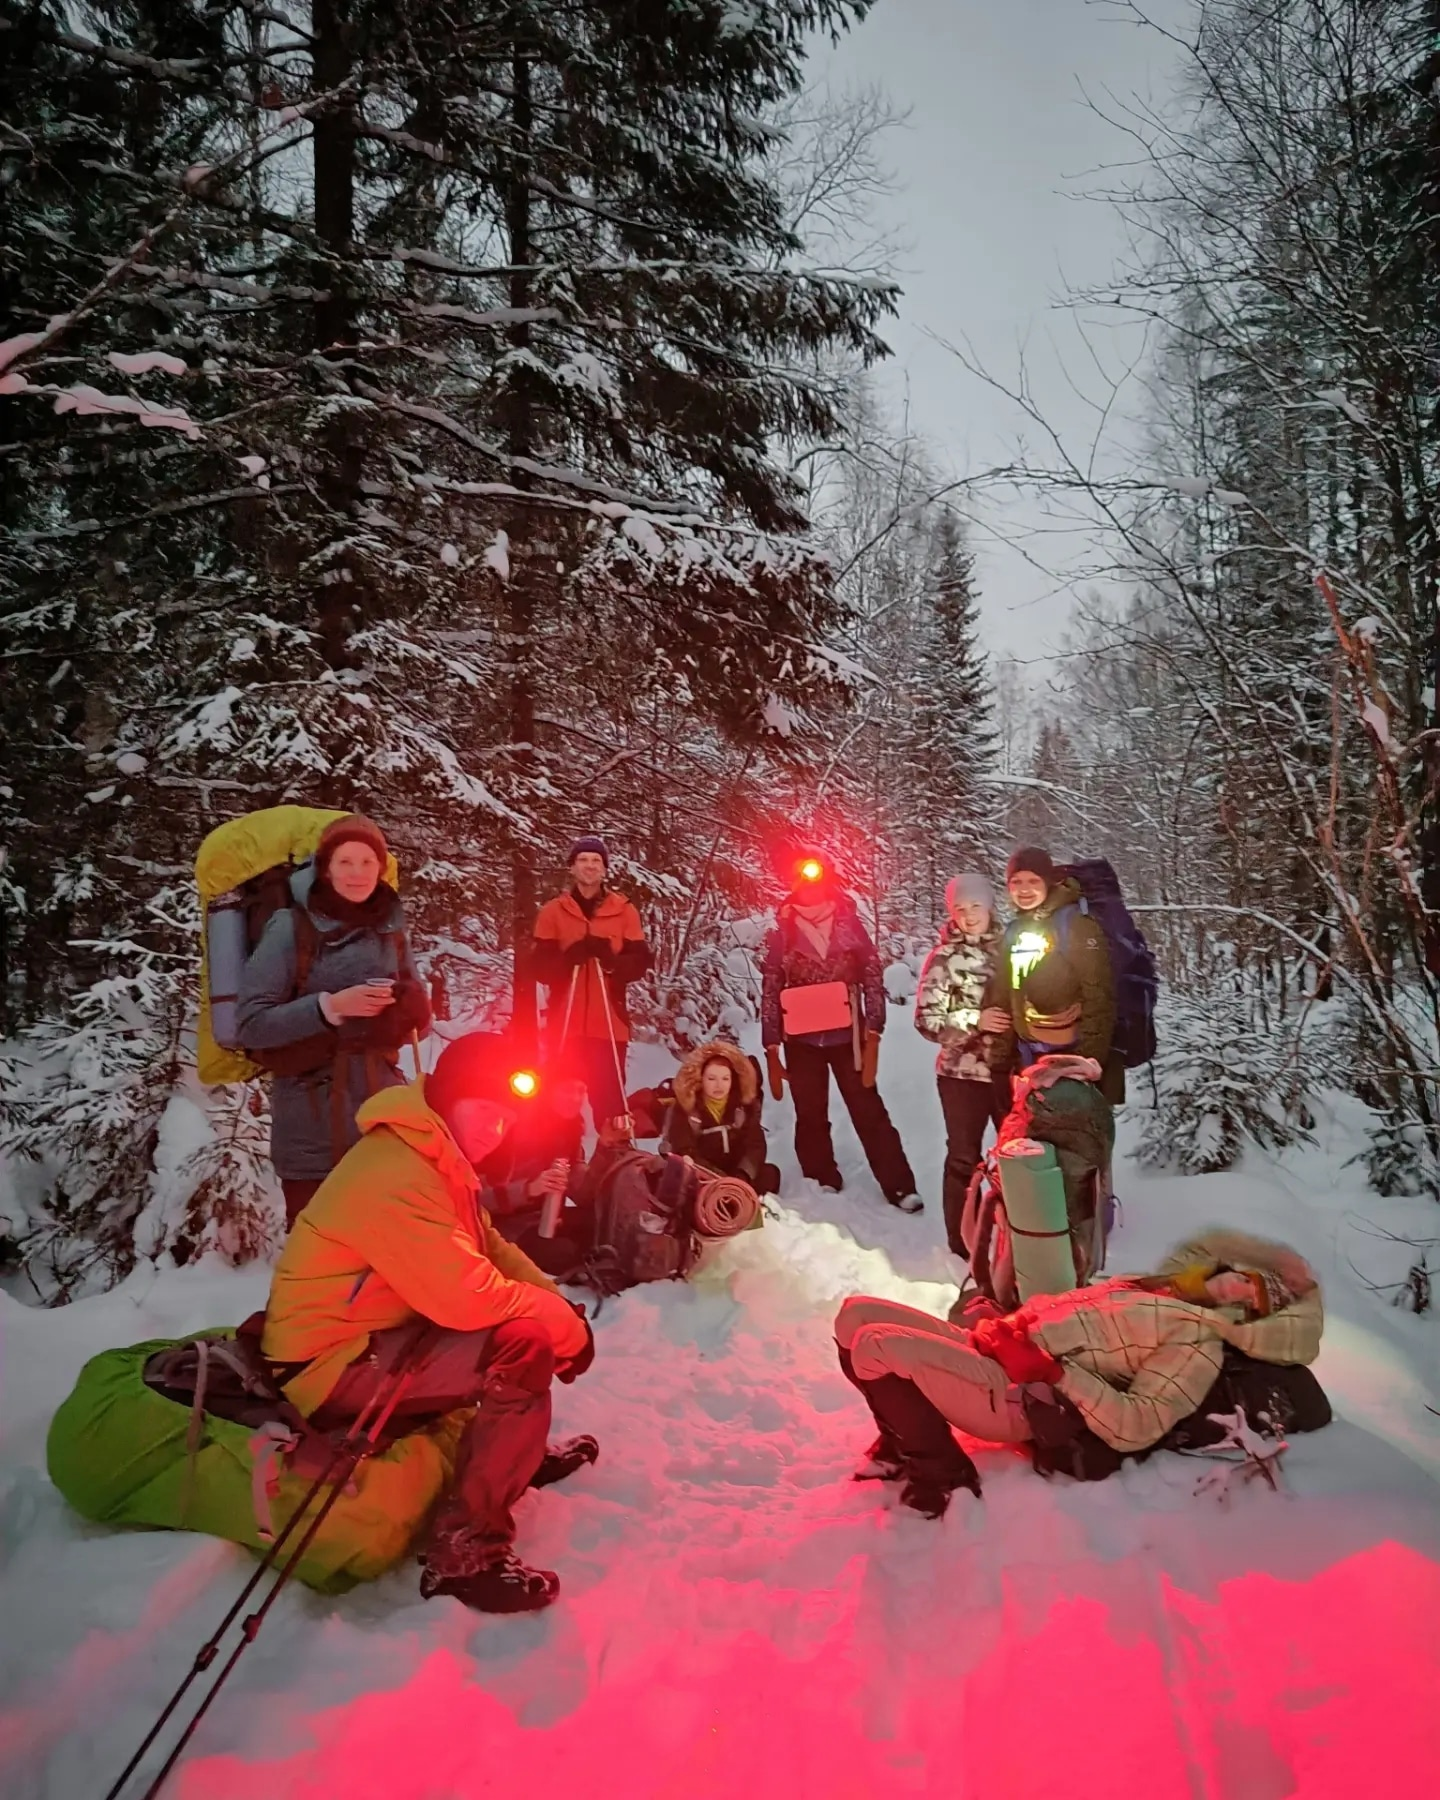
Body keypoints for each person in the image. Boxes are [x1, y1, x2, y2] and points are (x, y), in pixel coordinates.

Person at [259, 1032, 596, 1613]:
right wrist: (565, 1332)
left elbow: (488, 1245)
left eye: (507, 1117)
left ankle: (513, 1454)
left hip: (377, 1335)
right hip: (326, 1363)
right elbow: (470, 1298)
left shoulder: (438, 1157)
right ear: (448, 1099)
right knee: (519, 1348)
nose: (497, 1128)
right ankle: (464, 1557)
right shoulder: (398, 1168)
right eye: (486, 1110)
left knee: (524, 1330)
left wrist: (559, 1305)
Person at [833, 1229, 1323, 1517]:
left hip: (1018, 1395)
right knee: (853, 1315)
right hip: (999, 1350)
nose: (1238, 1291)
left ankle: (941, 1479)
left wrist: (1052, 1373)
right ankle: (902, 1438)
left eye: (1251, 1303)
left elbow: (1138, 1425)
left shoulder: (1198, 1342)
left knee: (878, 1348)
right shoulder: (1156, 1288)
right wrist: (1003, 1326)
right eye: (1246, 1280)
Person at [236, 813, 432, 1227]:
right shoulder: (291, 927)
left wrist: (412, 1008)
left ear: (381, 868)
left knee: (384, 1255)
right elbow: (251, 1023)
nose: (357, 873)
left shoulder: (391, 928)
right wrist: (329, 1008)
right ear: (325, 867)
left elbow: (417, 1018)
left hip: (380, 1113)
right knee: (315, 1266)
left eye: (367, 862)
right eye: (346, 862)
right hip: (312, 1124)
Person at [761, 857, 919, 1212]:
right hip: (800, 1039)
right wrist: (771, 1045)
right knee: (810, 1110)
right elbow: (771, 985)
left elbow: (872, 974)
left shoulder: (849, 922)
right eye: (803, 878)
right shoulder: (783, 929)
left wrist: (874, 1031)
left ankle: (898, 1185)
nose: (810, 885)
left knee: (869, 1110)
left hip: (849, 1037)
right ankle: (821, 1177)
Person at [914, 873, 1012, 1255]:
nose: (969, 916)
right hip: (961, 1078)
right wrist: (975, 1021)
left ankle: (1016, 1233)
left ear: (989, 906)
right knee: (963, 1158)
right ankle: (961, 1240)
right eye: (960, 909)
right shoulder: (944, 958)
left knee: (1016, 1159)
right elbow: (927, 1021)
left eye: (975, 906)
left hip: (1008, 1073)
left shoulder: (1012, 949)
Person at [532, 836, 652, 1130]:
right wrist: (569, 958)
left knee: (611, 1107)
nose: (589, 866)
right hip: (565, 1024)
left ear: (604, 869)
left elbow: (640, 963)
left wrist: (611, 960)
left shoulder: (624, 911)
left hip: (609, 1025)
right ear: (572, 867)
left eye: (596, 861)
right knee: (557, 1104)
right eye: (583, 860)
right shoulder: (553, 912)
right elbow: (539, 968)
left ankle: (612, 1166)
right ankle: (558, 1164)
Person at [988, 846, 1121, 1105]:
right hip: (1028, 1060)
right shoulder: (1016, 928)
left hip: (1072, 1061)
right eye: (1016, 882)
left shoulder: (1076, 924)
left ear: (1048, 882)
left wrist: (1085, 1063)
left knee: (1070, 1141)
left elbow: (1099, 996)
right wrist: (1000, 1063)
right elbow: (1006, 994)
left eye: (1033, 881)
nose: (1024, 889)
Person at [660, 1041, 780, 1195]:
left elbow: (755, 1145)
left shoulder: (743, 1107)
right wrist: (718, 1178)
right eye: (711, 1079)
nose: (719, 1085)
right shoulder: (687, 1108)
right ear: (700, 1079)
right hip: (702, 1174)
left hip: (737, 1173)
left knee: (770, 1175)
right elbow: (683, 1149)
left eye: (725, 1079)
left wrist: (743, 1175)